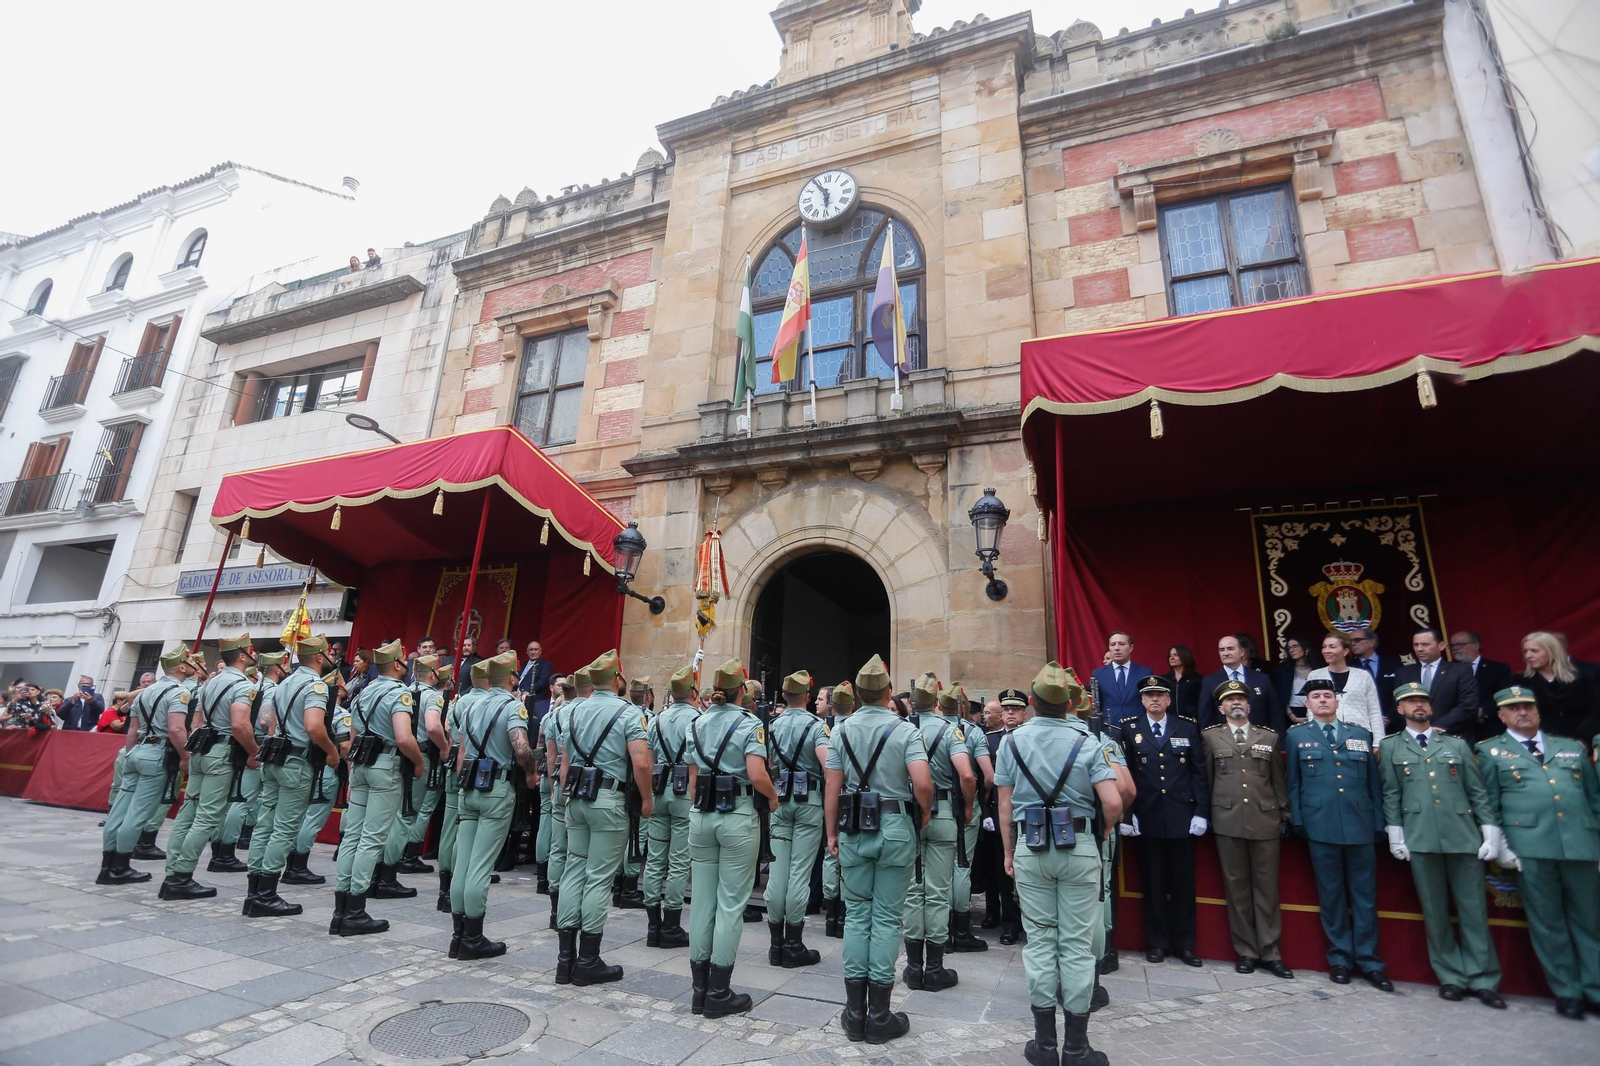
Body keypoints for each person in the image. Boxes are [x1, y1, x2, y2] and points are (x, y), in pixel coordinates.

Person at [995, 662, 1123, 1066]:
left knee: (1040, 942)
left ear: (1031, 703)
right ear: (1069, 703)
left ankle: (1045, 1045)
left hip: (1030, 847)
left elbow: (1003, 805)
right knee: (1077, 944)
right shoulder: (1088, 740)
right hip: (1079, 844)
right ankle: (1077, 1047)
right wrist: (1101, 832)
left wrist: (1007, 851)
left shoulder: (1011, 743)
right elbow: (1114, 801)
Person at [823, 654, 931, 1045]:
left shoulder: (840, 730)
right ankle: (880, 1015)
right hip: (896, 824)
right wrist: (924, 812)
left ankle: (854, 1015)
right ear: (888, 692)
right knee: (886, 920)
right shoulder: (905, 730)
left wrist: (831, 833)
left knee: (857, 918)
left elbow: (831, 787)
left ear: (856, 695)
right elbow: (922, 783)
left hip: (852, 828)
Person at [1474, 685, 1600, 1018]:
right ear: (1501, 716)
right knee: (1548, 923)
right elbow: (1488, 801)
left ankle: (1596, 989)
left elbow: (1594, 799)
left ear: (1538, 710)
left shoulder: (1571, 747)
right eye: (1514, 708)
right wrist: (1499, 841)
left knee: (1591, 921)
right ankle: (1568, 992)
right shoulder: (1490, 752)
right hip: (1530, 847)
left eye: (1528, 706)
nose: (1523, 712)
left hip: (1581, 844)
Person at [1378, 681, 1506, 1008]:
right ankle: (1451, 976)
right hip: (1420, 836)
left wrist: (1490, 830)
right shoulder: (1391, 746)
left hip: (1462, 834)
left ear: (1431, 707)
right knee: (1435, 912)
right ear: (1400, 709)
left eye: (1422, 700)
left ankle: (1483, 978)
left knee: (1473, 910)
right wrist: (1395, 833)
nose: (1418, 705)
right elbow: (1391, 793)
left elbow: (1476, 791)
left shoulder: (1457, 744)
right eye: (1410, 702)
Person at [1284, 678, 1392, 990]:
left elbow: (1373, 785)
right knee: (1331, 897)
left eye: (1327, 696)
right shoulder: (1296, 736)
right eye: (1315, 696)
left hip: (1359, 824)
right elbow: (1293, 782)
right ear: (1307, 703)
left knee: (1365, 898)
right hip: (1321, 825)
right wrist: (1298, 819)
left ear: (1337, 701)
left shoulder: (1359, 734)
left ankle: (1371, 962)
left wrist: (1378, 823)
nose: (1321, 701)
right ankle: (1341, 959)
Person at [680, 657, 772, 1016]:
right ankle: (719, 992)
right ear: (742, 691)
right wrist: (774, 796)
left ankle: (698, 990)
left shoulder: (697, 723)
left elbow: (691, 781)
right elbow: (757, 773)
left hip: (701, 815)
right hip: (736, 815)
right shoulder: (749, 723)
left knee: (702, 902)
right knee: (731, 905)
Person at [555, 651, 651, 985]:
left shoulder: (573, 710)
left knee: (574, 870)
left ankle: (564, 960)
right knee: (597, 878)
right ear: (617, 678)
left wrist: (566, 800)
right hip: (608, 799)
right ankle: (588, 960)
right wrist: (648, 799)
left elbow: (566, 763)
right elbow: (641, 763)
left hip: (577, 797)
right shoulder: (629, 712)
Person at [330, 639, 423, 937]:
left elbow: (354, 737)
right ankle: (356, 910)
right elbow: (404, 738)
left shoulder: (363, 691)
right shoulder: (400, 693)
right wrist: (418, 763)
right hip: (386, 765)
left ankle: (341, 908)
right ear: (397, 664)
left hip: (361, 764)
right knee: (372, 839)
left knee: (352, 837)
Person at [1201, 679, 1292, 978]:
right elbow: (1209, 780)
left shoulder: (1269, 736)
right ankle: (1247, 951)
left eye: (1241, 699)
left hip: (1265, 818)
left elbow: (1278, 781)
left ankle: (1271, 951)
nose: (1236, 703)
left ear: (1250, 706)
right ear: (1221, 708)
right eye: (1230, 700)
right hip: (1228, 819)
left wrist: (1284, 815)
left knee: (1267, 889)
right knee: (1237, 889)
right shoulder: (1210, 737)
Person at [448, 650, 535, 959]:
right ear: (512, 678)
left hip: (468, 785)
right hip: (495, 786)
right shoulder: (513, 706)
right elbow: (521, 749)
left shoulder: (470, 705)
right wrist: (531, 772)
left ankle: (458, 935)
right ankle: (473, 937)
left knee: (464, 863)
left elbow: (462, 749)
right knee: (481, 866)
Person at [159, 635, 258, 901]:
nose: (253, 656)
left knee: (188, 812)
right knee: (207, 817)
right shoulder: (241, 684)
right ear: (242, 656)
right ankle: (182, 876)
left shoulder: (211, 683)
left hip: (202, 747)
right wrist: (253, 750)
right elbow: (239, 724)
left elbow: (198, 721)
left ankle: (172, 873)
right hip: (221, 750)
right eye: (250, 653)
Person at [1119, 675, 1207, 967]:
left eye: (1160, 695)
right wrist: (1128, 814)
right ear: (1142, 700)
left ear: (1169, 700)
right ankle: (1156, 943)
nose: (1154, 699)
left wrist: (1201, 812)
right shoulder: (1130, 728)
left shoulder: (1187, 726)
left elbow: (1198, 773)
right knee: (1153, 884)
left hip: (1182, 815)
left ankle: (1185, 945)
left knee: (1184, 884)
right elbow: (1126, 774)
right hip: (1148, 815)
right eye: (1149, 695)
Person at [243, 641, 331, 916]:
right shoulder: (316, 686)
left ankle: (254, 891)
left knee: (264, 824)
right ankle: (267, 894)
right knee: (284, 828)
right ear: (319, 656)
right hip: (295, 761)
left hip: (274, 757)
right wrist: (331, 752)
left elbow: (268, 723)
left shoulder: (283, 684)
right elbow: (314, 726)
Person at [98, 646, 197, 886]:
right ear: (182, 667)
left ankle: (107, 866)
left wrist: (132, 754)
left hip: (138, 749)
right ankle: (120, 866)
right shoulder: (179, 692)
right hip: (157, 752)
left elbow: (132, 729)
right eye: (190, 662)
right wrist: (185, 757)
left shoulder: (145, 692)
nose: (194, 665)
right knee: (138, 813)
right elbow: (176, 728)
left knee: (120, 810)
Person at [902, 674, 976, 992]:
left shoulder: (903, 729)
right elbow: (967, 775)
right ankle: (934, 968)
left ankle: (913, 967)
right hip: (944, 812)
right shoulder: (950, 730)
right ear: (935, 702)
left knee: (912, 891)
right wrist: (969, 806)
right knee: (937, 891)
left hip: (909, 814)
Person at [764, 669, 829, 968]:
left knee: (778, 873)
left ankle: (775, 944)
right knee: (800, 874)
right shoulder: (817, 726)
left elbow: (763, 764)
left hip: (778, 799)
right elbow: (828, 765)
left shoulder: (771, 726)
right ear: (807, 696)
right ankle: (793, 943)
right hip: (808, 801)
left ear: (783, 696)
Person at [213, 651, 289, 874]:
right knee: (244, 800)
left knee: (234, 799)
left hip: (242, 744)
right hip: (258, 745)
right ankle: (225, 853)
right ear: (277, 669)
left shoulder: (253, 686)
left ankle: (220, 847)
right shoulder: (272, 690)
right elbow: (265, 720)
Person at [642, 666, 698, 949]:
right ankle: (671, 925)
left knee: (655, 859)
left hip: (659, 789)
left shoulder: (658, 719)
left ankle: (653, 926)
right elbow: (696, 764)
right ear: (693, 692)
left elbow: (649, 760)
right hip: (683, 794)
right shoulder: (698, 719)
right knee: (678, 862)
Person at [286, 667, 350, 886]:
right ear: (339, 689)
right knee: (313, 819)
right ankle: (298, 865)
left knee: (301, 817)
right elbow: (344, 746)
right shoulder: (340, 714)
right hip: (327, 771)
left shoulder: (310, 708)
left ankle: (292, 862)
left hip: (306, 766)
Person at [438, 660, 492, 910]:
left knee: (451, 828)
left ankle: (445, 890)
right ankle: (464, 888)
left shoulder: (460, 702)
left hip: (457, 764)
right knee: (470, 835)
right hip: (480, 769)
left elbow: (450, 733)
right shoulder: (489, 702)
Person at [393, 656, 449, 877]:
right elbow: (434, 727)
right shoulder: (432, 696)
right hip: (421, 755)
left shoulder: (402, 692)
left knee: (396, 811)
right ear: (434, 674)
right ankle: (399, 862)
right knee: (411, 813)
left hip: (398, 755)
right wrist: (444, 748)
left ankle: (389, 864)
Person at [949, 686, 994, 954]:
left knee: (935, 869)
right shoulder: (973, 732)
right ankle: (961, 929)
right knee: (961, 865)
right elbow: (987, 775)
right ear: (964, 709)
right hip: (965, 804)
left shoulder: (918, 728)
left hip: (932, 806)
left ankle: (937, 928)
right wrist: (980, 797)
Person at [984, 690, 1027, 944]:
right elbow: (986, 785)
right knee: (1003, 871)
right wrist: (988, 814)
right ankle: (1009, 923)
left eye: (1015, 708)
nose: (1010, 712)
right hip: (1000, 814)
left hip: (1026, 813)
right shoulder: (991, 740)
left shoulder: (1031, 738)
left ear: (1024, 713)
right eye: (1006, 708)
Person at [1395, 627, 1480, 737]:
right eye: (1416, 645)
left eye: (1425, 644)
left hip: (1451, 736)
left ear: (1441, 646)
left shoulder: (1460, 671)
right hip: (1414, 737)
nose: (1419, 649)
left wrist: (1434, 729)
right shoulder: (1404, 673)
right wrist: (1418, 729)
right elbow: (1398, 705)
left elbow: (1468, 706)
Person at [1518, 630, 1600, 742]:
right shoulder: (1521, 681)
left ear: (1552, 651)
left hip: (1584, 742)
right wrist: (1559, 742)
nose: (1528, 656)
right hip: (1544, 743)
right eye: (1525, 651)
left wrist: (1581, 740)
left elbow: (1595, 711)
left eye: (1534, 651)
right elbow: (1525, 715)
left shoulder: (1581, 676)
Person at [819, 681, 853, 938]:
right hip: (852, 797)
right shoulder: (854, 728)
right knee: (848, 857)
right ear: (852, 704)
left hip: (829, 795)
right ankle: (844, 913)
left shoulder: (825, 729)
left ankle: (831, 916)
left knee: (830, 855)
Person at [1306, 631, 1385, 738]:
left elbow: (1374, 711)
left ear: (1345, 651)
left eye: (1332, 647)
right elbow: (1311, 710)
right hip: (1326, 735)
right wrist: (1314, 735)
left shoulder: (1363, 676)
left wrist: (1378, 740)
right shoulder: (1315, 675)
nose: (1326, 651)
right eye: (1324, 647)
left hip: (1359, 735)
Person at [1199, 635, 1282, 733]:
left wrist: (1279, 743)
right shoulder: (1210, 681)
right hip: (1224, 741)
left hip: (1259, 739)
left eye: (1230, 649)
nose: (1226, 653)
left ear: (1242, 652)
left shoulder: (1262, 678)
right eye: (1221, 650)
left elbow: (1275, 713)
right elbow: (1205, 716)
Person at [1448, 631, 1513, 740]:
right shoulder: (1447, 670)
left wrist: (1483, 711)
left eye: (1460, 644)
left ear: (1475, 645)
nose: (1455, 648)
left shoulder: (1498, 669)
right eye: (1452, 645)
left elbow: (1503, 694)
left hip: (1490, 729)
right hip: (1458, 732)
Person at [1090, 631, 1153, 726]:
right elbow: (1096, 706)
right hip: (1109, 729)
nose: (1116, 648)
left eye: (1121, 644)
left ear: (1131, 647)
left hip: (1138, 728)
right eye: (1113, 644)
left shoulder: (1145, 673)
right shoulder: (1098, 674)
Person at [1351, 627, 1402, 725]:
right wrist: (1372, 719)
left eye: (1357, 640)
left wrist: (1390, 717)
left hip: (1394, 723)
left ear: (1371, 643)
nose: (1353, 643)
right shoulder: (1349, 667)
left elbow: (1400, 693)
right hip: (1363, 724)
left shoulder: (1393, 665)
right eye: (1351, 641)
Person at [1273, 637, 1317, 726]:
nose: (1291, 650)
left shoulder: (1317, 668)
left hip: (1316, 711)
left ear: (1306, 649)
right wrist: (1292, 717)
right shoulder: (1284, 670)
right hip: (1293, 713)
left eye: (1295, 646)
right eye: (1289, 648)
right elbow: (1280, 697)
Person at [1158, 645, 1203, 722]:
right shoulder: (1164, 680)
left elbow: (1201, 704)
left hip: (1190, 721)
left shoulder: (1197, 679)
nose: (1172, 658)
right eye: (1170, 656)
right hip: (1169, 721)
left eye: (1176, 655)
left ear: (1185, 656)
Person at [519, 641, 552, 719]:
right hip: (517, 698)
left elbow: (542, 682)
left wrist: (525, 691)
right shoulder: (522, 665)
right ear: (527, 652)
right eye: (531, 650)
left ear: (540, 651)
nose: (533, 652)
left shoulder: (545, 665)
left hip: (533, 701)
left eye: (536, 649)